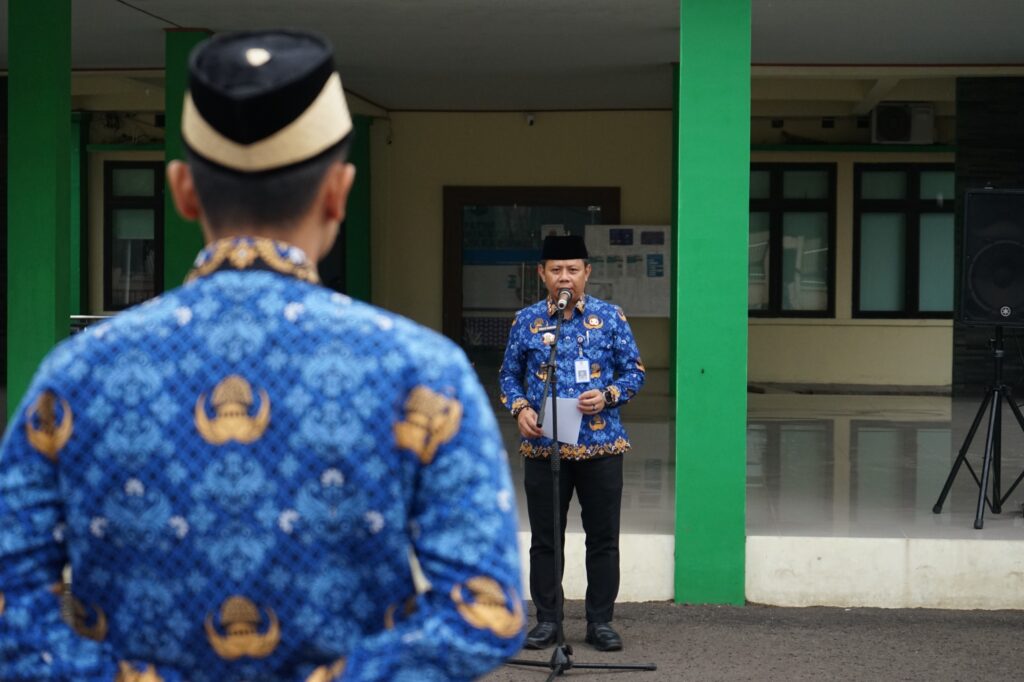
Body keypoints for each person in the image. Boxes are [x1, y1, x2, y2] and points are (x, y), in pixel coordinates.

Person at [0, 30, 524, 681]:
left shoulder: (77, 373)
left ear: (182, 189)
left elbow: (12, 606)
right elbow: (484, 613)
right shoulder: (423, 373)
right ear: (338, 192)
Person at [498, 235, 645, 652]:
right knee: (546, 540)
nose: (565, 277)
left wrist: (608, 395)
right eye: (556, 270)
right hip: (545, 447)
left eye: (573, 269)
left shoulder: (610, 317)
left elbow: (635, 372)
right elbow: (507, 376)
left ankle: (600, 622)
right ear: (542, 274)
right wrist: (521, 409)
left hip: (602, 446)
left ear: (587, 272)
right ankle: (548, 620)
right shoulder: (526, 321)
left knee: (603, 539)